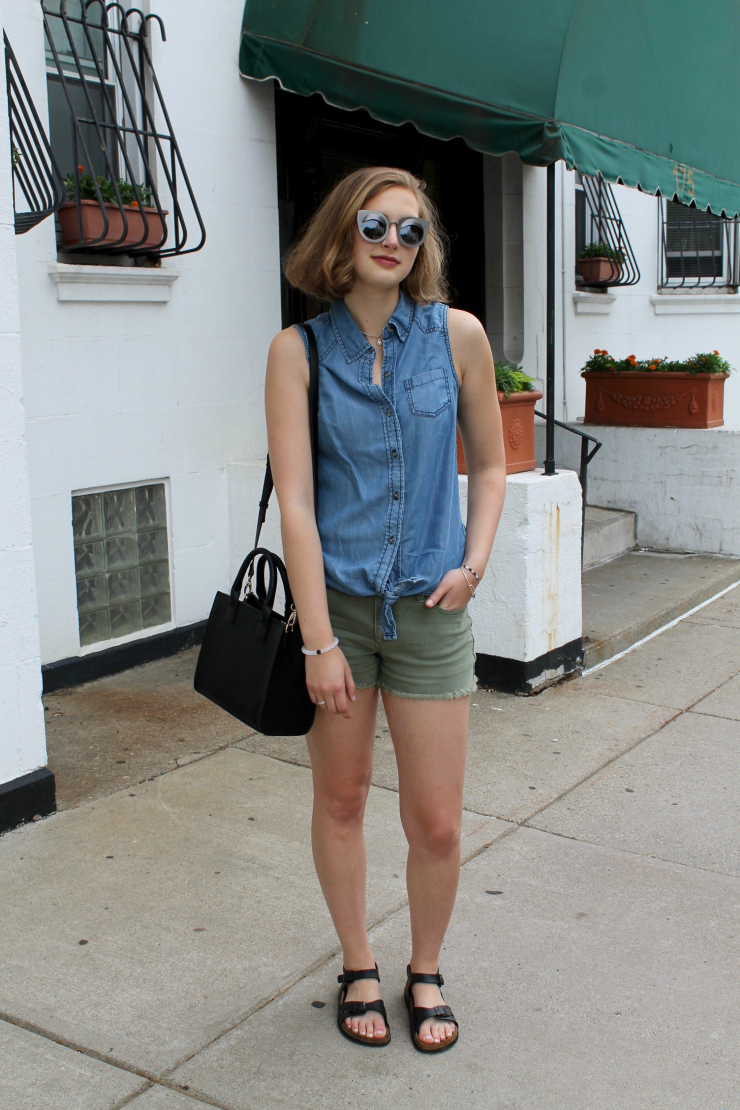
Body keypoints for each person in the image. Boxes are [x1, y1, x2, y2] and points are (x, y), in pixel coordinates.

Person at [265, 166, 505, 1052]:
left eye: (410, 230)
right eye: (376, 224)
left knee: (436, 819)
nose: (394, 242)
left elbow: (489, 463)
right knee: (343, 799)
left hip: (434, 612)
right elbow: (297, 503)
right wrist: (317, 639)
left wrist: (474, 563)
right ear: (341, 232)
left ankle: (426, 968)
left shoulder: (459, 338)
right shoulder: (298, 352)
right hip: (344, 617)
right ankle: (359, 961)